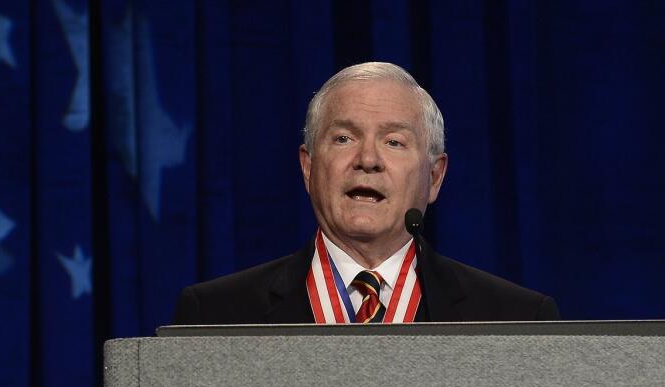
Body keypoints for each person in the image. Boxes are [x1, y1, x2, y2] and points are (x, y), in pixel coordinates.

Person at [172, 62, 559, 325]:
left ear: (435, 176)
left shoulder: (514, 320)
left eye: (393, 142)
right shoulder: (216, 315)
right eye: (344, 138)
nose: (368, 159)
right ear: (308, 167)